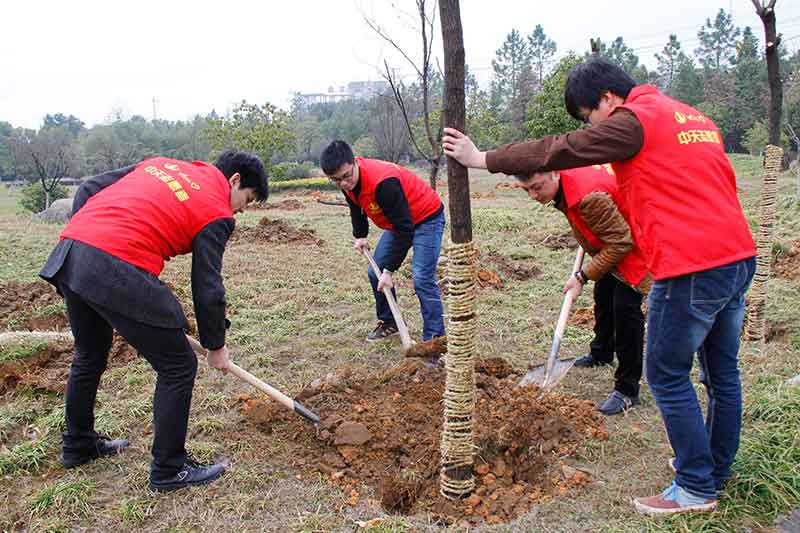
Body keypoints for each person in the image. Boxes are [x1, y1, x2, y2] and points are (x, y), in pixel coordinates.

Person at [443, 58, 756, 515]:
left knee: (667, 374)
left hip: (691, 264)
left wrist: (483, 159)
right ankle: (713, 468)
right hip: (736, 256)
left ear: (607, 99)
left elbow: (562, 149)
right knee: (721, 374)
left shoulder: (635, 120)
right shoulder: (692, 117)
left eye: (589, 116)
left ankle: (694, 487)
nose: (591, 126)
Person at [39, 150, 268, 492]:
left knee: (89, 355)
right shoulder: (217, 211)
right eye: (246, 199)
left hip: (72, 251)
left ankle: (78, 446)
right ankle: (169, 469)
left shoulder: (162, 164)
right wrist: (215, 345)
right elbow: (207, 286)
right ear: (234, 180)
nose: (241, 210)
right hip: (115, 264)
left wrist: (87, 233)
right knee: (178, 365)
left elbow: (88, 188)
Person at [515, 164, 650, 415]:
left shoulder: (588, 197)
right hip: (611, 245)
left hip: (635, 248)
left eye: (537, 187)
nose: (533, 195)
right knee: (603, 297)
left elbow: (621, 242)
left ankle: (627, 389)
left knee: (625, 312)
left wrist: (582, 275)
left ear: (555, 173)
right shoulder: (565, 186)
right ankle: (601, 353)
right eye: (526, 190)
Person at [320, 140, 445, 343]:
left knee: (422, 278)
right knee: (373, 271)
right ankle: (390, 322)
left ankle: (435, 340)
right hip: (399, 221)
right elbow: (355, 206)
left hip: (426, 217)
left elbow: (405, 230)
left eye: (345, 176)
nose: (343, 183)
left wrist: (389, 271)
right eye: (336, 180)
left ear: (355, 162)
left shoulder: (383, 182)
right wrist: (360, 235)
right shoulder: (347, 182)